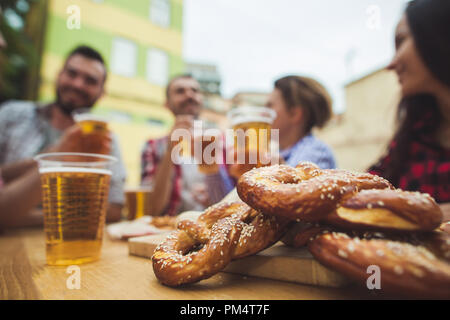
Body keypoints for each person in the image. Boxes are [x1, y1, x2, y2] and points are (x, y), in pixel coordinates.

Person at [0, 45, 126, 226]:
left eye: (90, 80)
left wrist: (22, 216)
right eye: (72, 74)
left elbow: (114, 209)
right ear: (59, 75)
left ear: (102, 92)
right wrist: (59, 154)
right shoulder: (11, 115)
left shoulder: (105, 140)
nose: (77, 84)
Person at [368, 0, 450, 217]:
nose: (391, 64)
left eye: (401, 41)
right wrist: (295, 178)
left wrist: (426, 215)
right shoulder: (416, 129)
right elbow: (369, 185)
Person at [141, 74, 232, 216]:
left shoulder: (223, 143)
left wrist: (213, 199)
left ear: (201, 100)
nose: (189, 94)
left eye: (194, 90)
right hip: (167, 232)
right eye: (180, 91)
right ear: (167, 104)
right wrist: (171, 149)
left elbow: (234, 204)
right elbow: (152, 210)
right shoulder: (153, 146)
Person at [267, 75, 336, 169]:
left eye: (269, 106)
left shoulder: (316, 151)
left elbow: (297, 182)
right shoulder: (277, 153)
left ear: (295, 114)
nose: (263, 114)